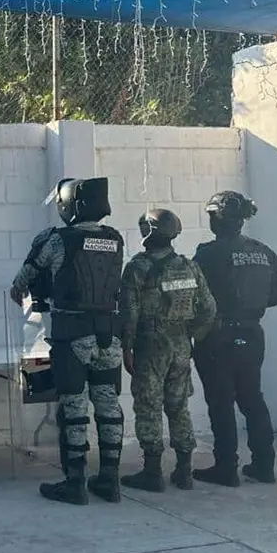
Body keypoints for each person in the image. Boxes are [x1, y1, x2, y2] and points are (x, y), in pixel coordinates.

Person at [9, 177, 126, 506]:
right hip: (109, 335)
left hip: (71, 333)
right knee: (108, 406)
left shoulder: (59, 239)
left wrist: (20, 288)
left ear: (70, 205)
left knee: (74, 408)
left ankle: (75, 482)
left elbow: (26, 276)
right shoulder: (115, 238)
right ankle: (110, 480)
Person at [191, 191, 277, 486]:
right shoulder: (261, 251)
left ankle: (226, 468)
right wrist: (257, 305)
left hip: (218, 336)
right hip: (252, 334)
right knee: (252, 400)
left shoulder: (209, 254)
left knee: (221, 403)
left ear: (219, 219)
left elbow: (192, 295)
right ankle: (264, 465)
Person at [118, 209, 217, 492]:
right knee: (178, 406)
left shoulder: (137, 268)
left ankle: (152, 472)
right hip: (181, 344)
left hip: (151, 345)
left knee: (149, 406)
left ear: (147, 233)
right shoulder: (189, 266)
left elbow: (129, 313)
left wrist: (127, 347)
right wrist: (191, 335)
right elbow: (209, 308)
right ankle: (184, 471)